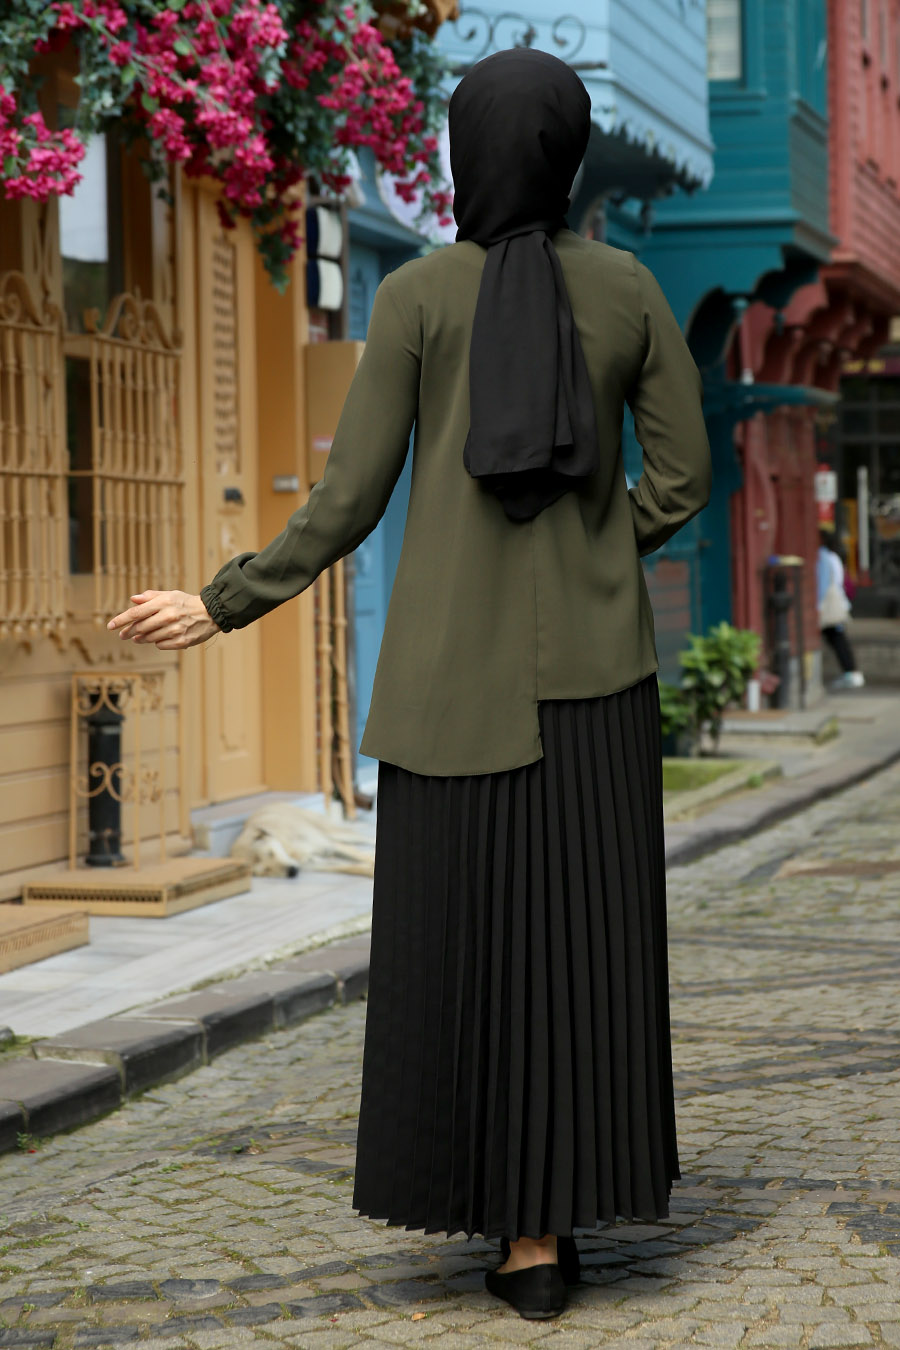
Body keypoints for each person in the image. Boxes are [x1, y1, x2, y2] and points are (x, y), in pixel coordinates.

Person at [108, 47, 711, 1321]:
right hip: (597, 685)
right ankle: (556, 1226)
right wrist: (606, 549)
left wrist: (221, 602)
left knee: (468, 954)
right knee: (583, 954)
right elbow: (683, 475)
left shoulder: (422, 298)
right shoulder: (629, 291)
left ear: (458, 152)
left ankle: (510, 1232)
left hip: (447, 693)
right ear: (571, 151)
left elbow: (347, 496)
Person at [817, 526, 865, 690]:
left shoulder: (823, 556)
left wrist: (818, 605)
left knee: (837, 639)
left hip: (830, 605)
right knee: (837, 639)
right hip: (837, 602)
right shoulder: (833, 556)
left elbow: (823, 584)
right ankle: (851, 673)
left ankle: (851, 673)